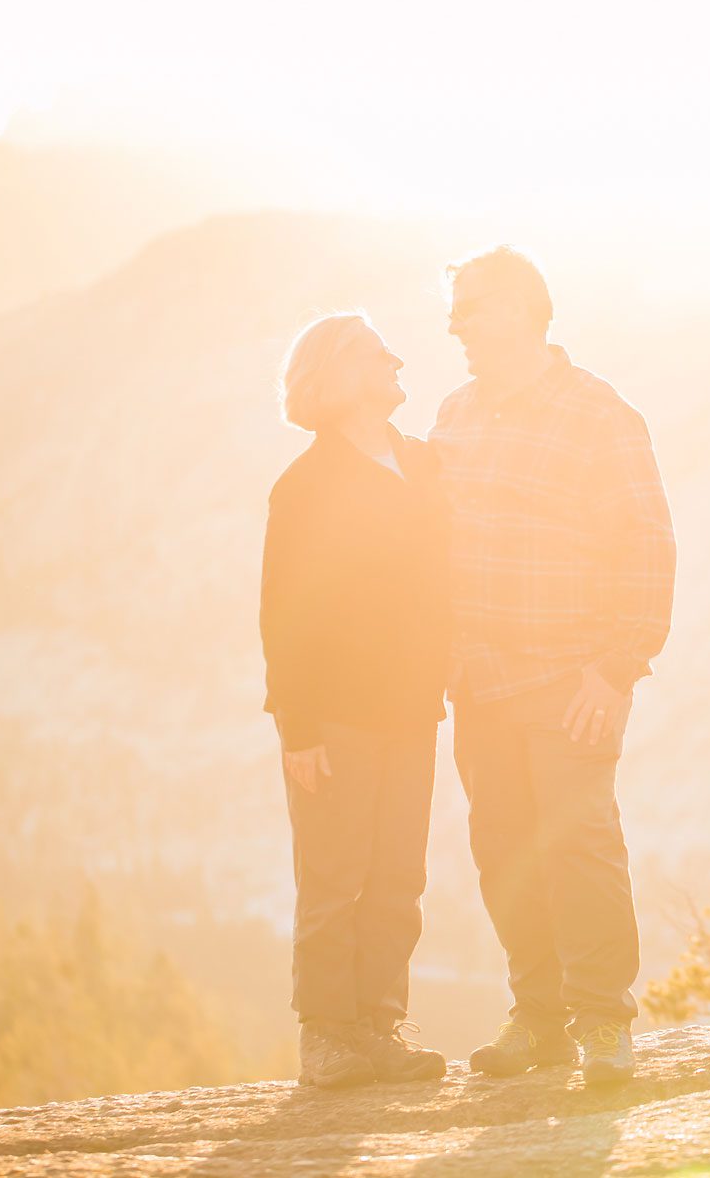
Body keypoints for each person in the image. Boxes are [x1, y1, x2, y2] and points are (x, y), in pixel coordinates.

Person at [431, 246, 676, 1087]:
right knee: (504, 852)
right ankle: (538, 1019)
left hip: (572, 678)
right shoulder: (454, 415)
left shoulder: (597, 415)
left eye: (470, 307)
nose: (454, 324)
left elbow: (646, 544)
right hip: (478, 683)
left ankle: (603, 1020)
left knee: (579, 844)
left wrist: (615, 671)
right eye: (454, 309)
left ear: (524, 309)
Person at [259, 312, 450, 1087]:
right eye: (379, 353)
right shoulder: (306, 485)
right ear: (341, 375)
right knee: (336, 876)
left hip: (413, 708)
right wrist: (297, 726)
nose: (398, 360)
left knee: (398, 875)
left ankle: (379, 1026)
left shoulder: (423, 463)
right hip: (336, 717)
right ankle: (327, 1038)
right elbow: (284, 612)